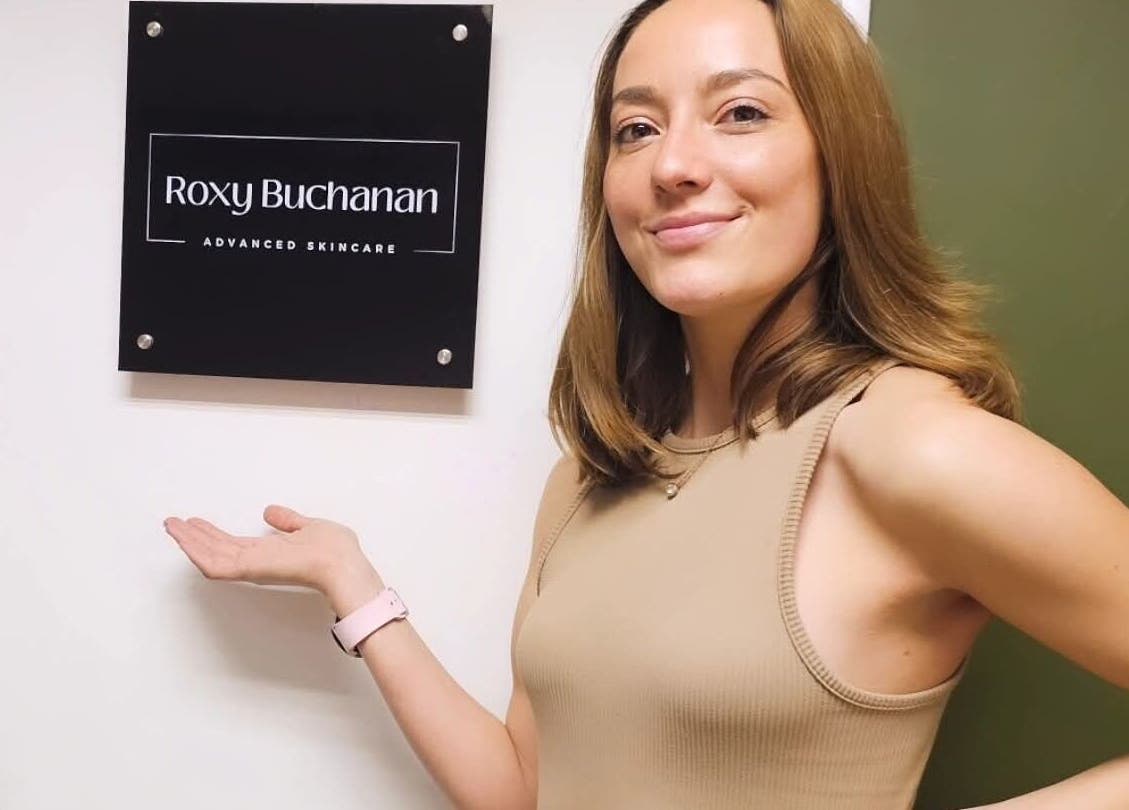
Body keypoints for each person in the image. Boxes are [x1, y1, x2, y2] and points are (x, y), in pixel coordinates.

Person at [164, 0, 1129, 807]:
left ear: (842, 155)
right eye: (636, 127)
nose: (673, 164)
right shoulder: (588, 478)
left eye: (740, 113)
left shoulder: (907, 444)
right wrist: (355, 589)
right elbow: (525, 788)